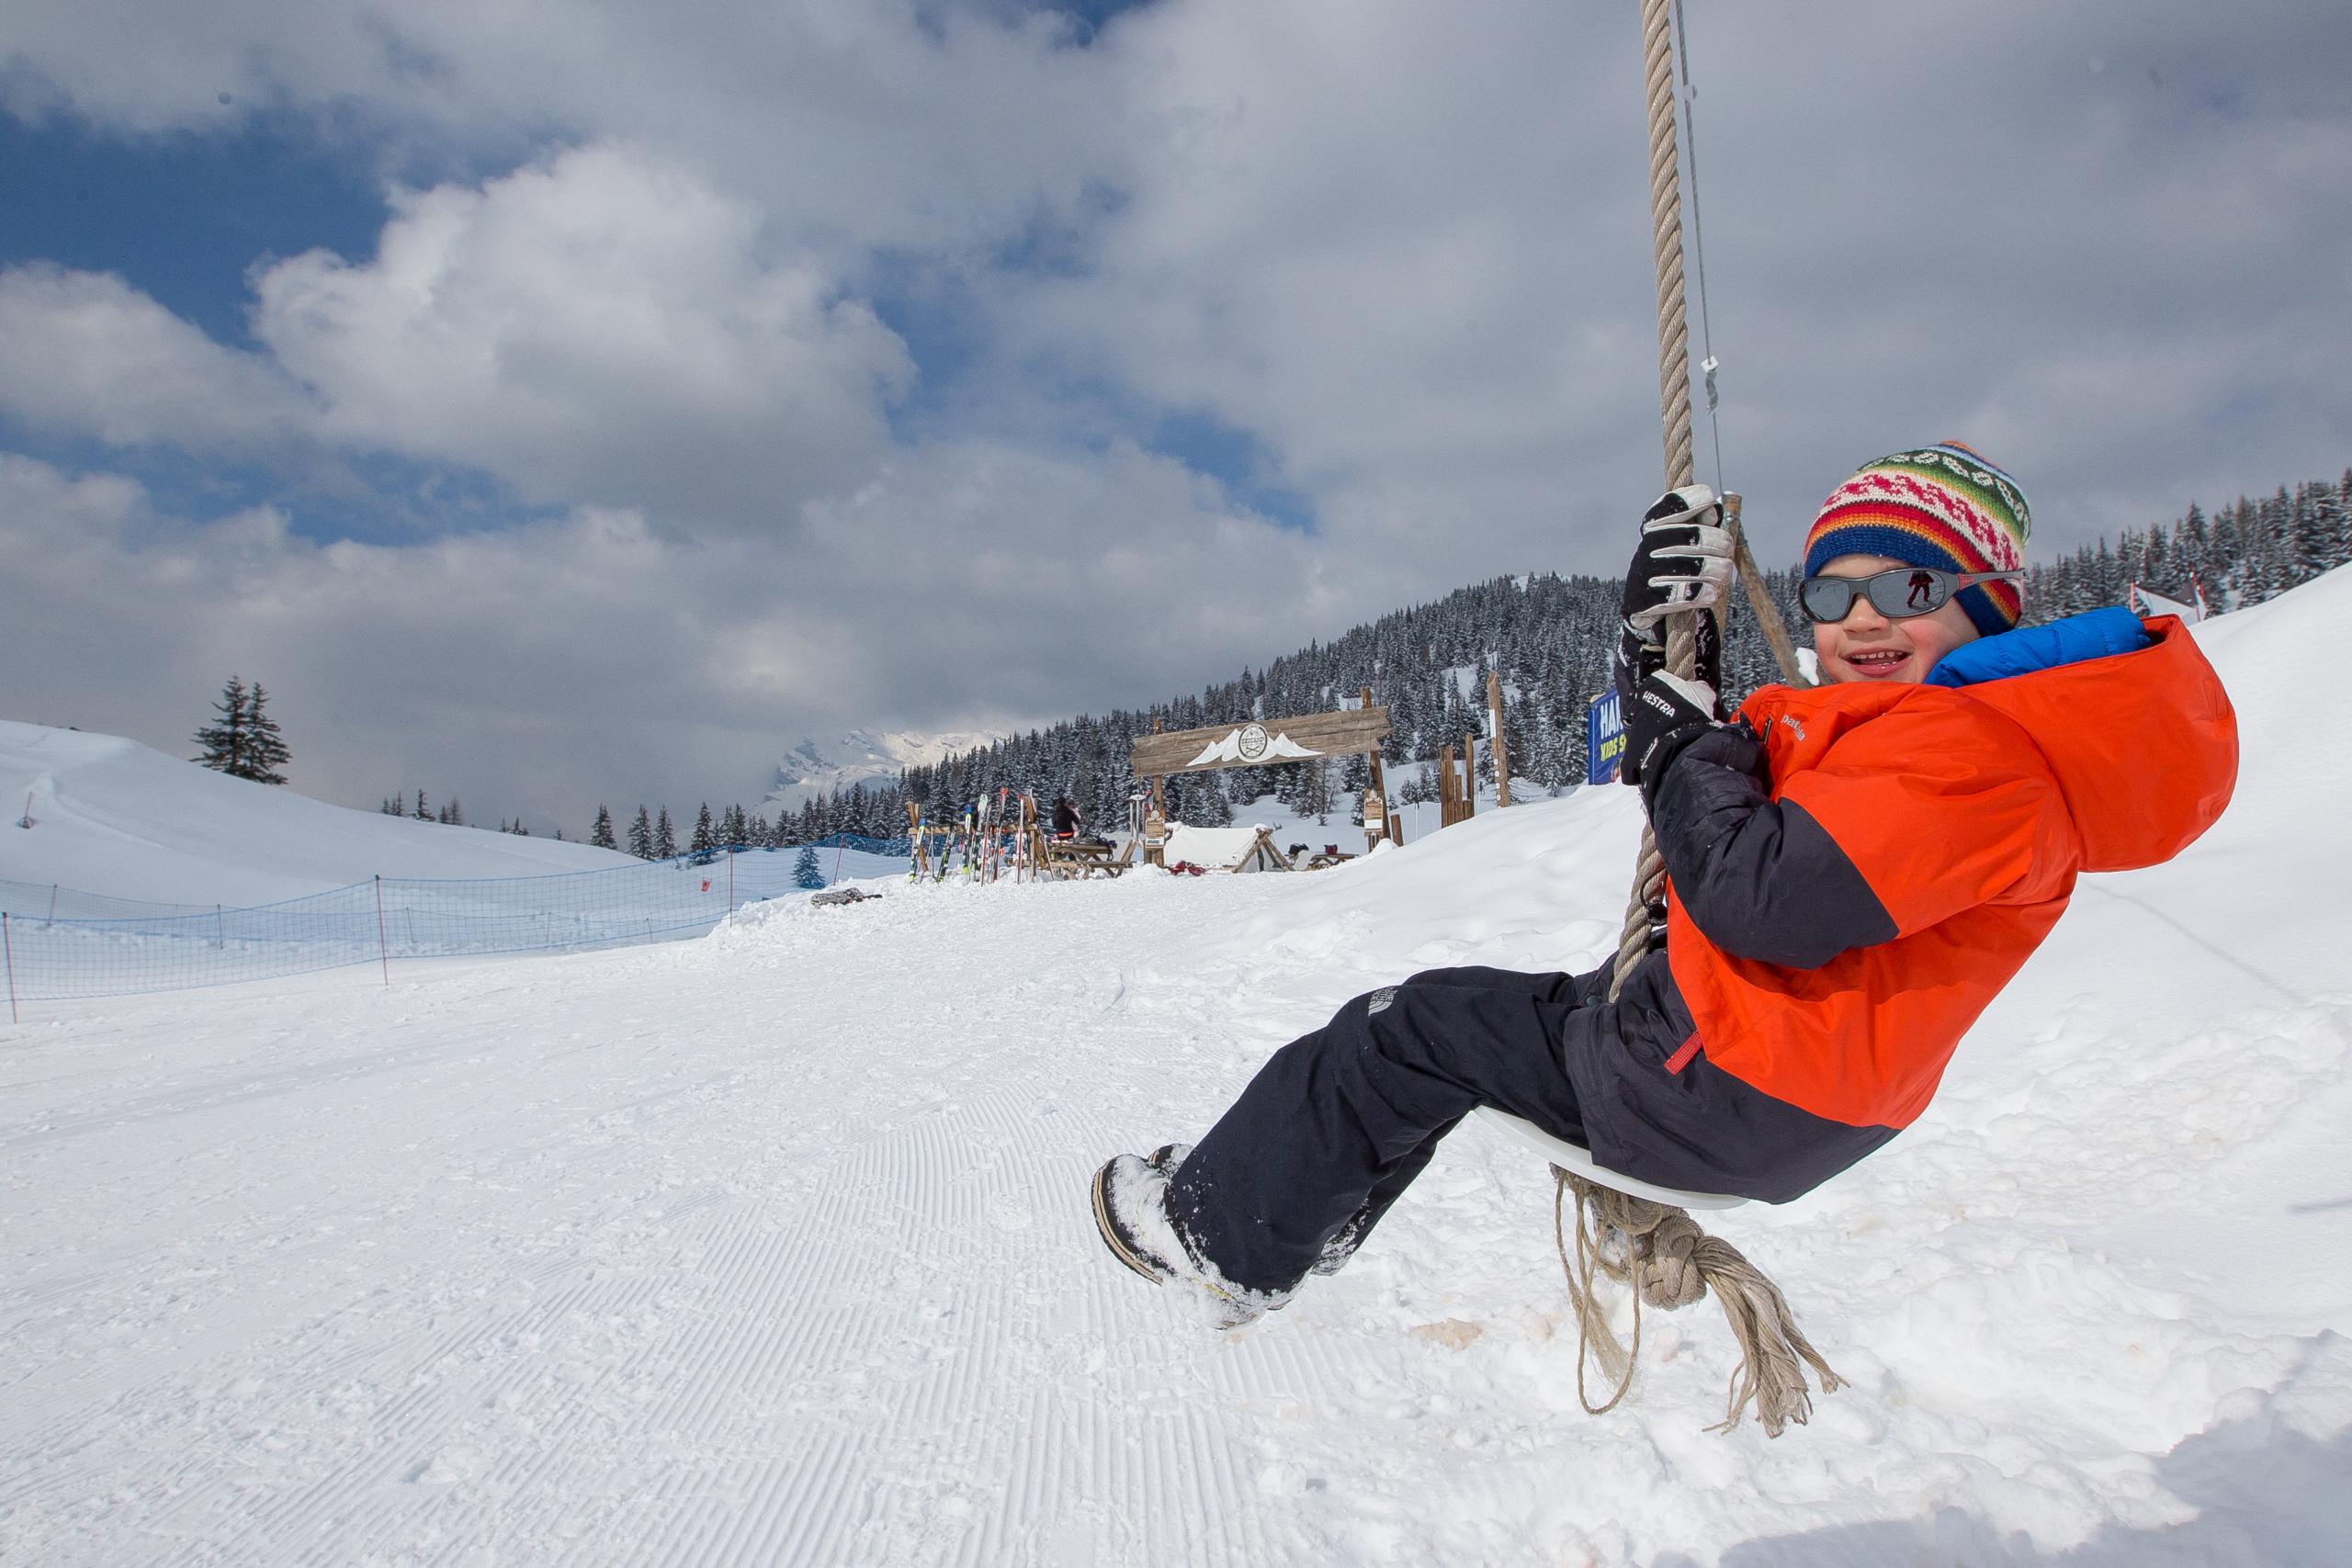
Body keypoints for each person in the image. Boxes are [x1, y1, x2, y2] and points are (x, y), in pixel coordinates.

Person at [1091, 443, 2238, 1325]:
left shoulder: (1972, 753)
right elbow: (1775, 822)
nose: (1861, 620)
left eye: (1908, 585)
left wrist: (1671, 730)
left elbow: (1757, 897)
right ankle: (1301, 1215)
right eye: (1831, 596)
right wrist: (1667, 665)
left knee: (1406, 1032)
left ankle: (1213, 1240)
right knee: (1474, 1028)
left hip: (1731, 1085)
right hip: (1760, 1066)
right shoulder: (1949, 738)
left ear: (1989, 602)